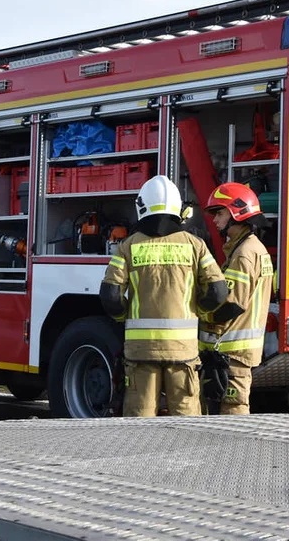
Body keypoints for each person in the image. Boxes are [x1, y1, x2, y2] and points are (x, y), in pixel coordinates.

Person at [99, 175, 228, 417]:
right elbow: (218, 291)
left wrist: (125, 317)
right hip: (183, 350)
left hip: (140, 351)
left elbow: (111, 296)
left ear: (142, 206)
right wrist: (196, 310)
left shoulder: (128, 246)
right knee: (186, 420)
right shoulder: (195, 245)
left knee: (140, 419)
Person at [199, 182, 274, 415]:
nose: (215, 220)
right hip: (233, 354)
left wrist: (201, 316)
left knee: (233, 415)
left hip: (232, 355)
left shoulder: (244, 254)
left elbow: (231, 305)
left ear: (236, 213)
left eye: (219, 213)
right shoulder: (249, 248)